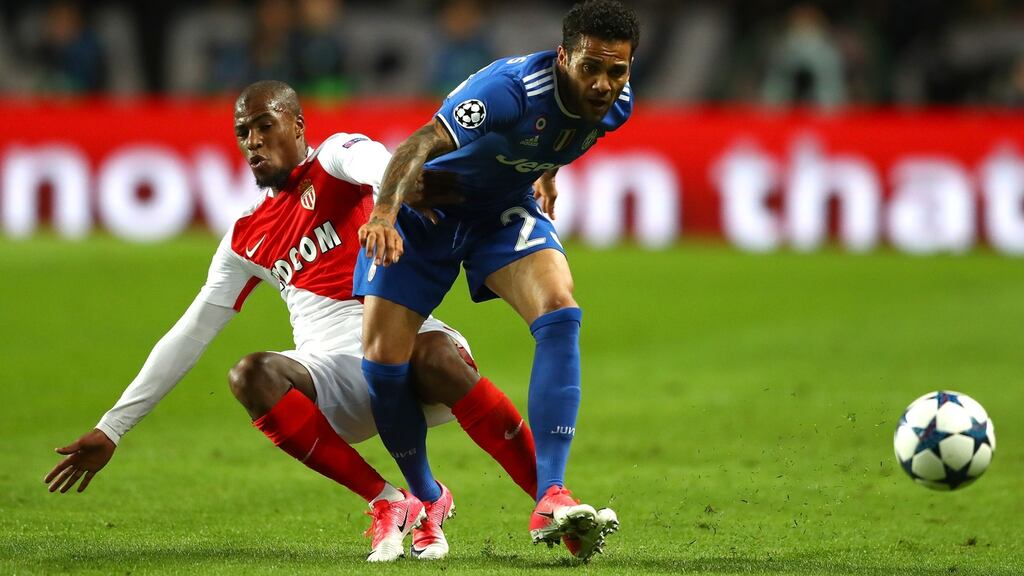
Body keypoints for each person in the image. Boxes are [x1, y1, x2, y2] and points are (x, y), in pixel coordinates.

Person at [43, 80, 539, 563]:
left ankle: (550, 497)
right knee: (250, 374)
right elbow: (189, 333)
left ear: (298, 125)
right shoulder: (244, 237)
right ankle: (389, 499)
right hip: (334, 378)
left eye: (264, 126)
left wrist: (392, 199)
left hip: (409, 348)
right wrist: (113, 428)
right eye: (243, 133)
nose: (253, 141)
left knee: (432, 352)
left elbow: (378, 165)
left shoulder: (334, 159)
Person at [353, 0, 639, 561]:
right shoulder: (509, 92)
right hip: (427, 211)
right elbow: (416, 146)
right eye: (591, 69)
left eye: (618, 71)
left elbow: (556, 134)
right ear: (563, 57)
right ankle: (426, 494)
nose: (604, 84)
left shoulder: (615, 105)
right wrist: (384, 215)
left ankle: (551, 494)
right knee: (384, 364)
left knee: (559, 309)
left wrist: (546, 171)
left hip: (499, 213)